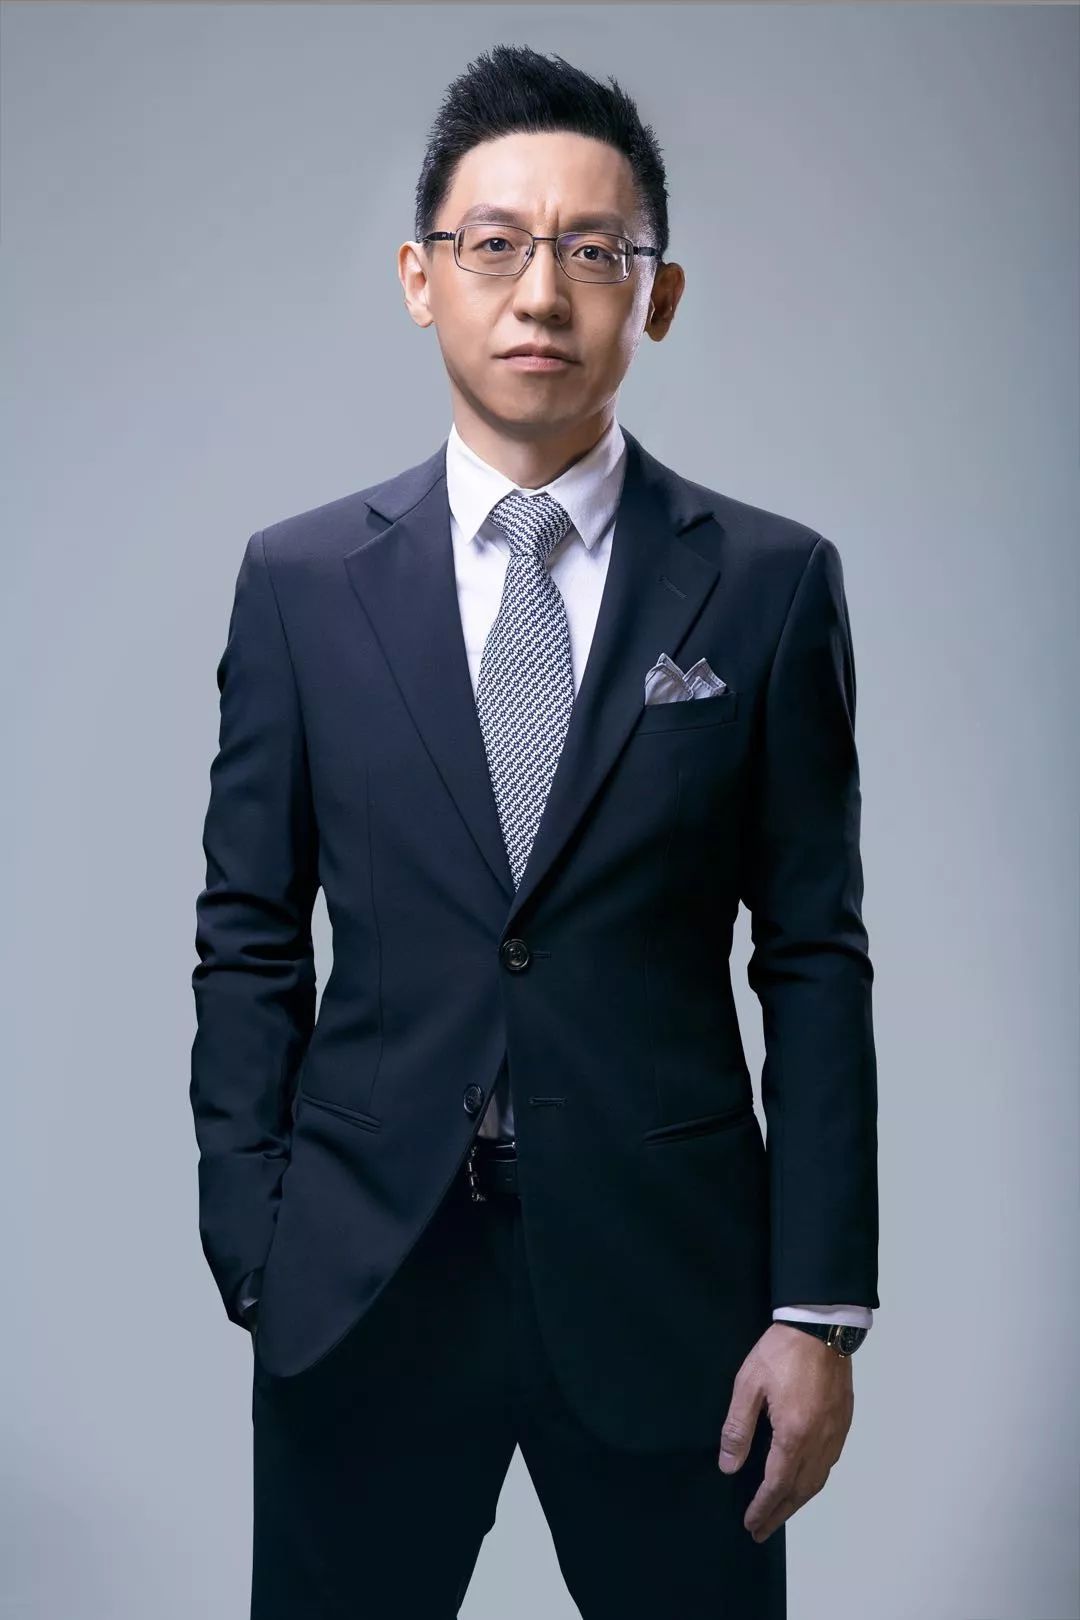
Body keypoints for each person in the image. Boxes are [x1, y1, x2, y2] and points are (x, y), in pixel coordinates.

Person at [190, 43, 879, 1620]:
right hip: (361, 1284)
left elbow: (815, 957)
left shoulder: (768, 586)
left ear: (659, 294)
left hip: (674, 1293)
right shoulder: (300, 585)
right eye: (495, 244)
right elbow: (247, 935)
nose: (542, 294)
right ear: (421, 277)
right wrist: (256, 1241)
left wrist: (818, 1311)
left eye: (593, 251)